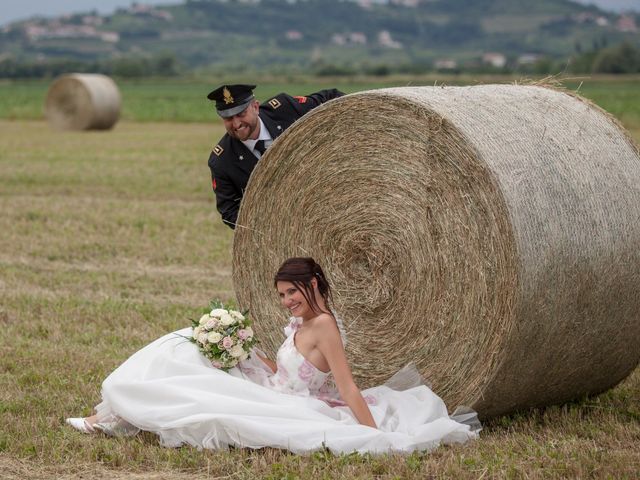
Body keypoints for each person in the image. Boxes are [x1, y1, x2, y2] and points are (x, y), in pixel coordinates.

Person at [66, 257, 479, 454]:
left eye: (292, 293)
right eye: (281, 295)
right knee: (185, 343)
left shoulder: (325, 328)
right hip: (270, 384)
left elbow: (347, 386)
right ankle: (109, 416)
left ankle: (115, 417)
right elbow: (283, 367)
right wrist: (242, 347)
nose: (285, 302)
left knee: (198, 392)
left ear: (313, 284)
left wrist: (375, 435)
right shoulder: (300, 325)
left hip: (288, 403)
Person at [207, 84, 344, 229]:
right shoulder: (221, 161)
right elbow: (230, 212)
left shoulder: (284, 109)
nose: (236, 123)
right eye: (228, 118)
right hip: (285, 231)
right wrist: (273, 226)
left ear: (255, 107)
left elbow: (331, 98)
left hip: (327, 196)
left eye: (241, 114)